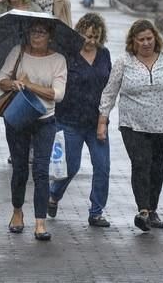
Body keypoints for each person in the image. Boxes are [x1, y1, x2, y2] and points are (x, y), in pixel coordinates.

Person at [98, 19, 163, 231]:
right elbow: (110, 91)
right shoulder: (124, 62)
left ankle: (153, 210)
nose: (145, 43)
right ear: (133, 41)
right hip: (133, 124)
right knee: (141, 163)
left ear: (156, 38)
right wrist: (103, 119)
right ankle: (142, 210)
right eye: (141, 39)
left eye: (149, 38)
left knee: (156, 167)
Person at [0, 20, 67, 241]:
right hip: (18, 118)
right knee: (19, 168)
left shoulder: (58, 60)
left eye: (42, 32)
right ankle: (17, 212)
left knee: (41, 171)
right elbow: (1, 80)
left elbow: (58, 94)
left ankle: (40, 222)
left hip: (46, 120)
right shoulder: (18, 52)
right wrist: (14, 84)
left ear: (50, 36)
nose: (37, 35)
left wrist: (29, 85)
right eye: (33, 31)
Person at [48, 13, 112, 227]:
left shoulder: (104, 55)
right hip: (69, 120)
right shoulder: (68, 55)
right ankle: (54, 195)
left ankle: (96, 211)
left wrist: (104, 118)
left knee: (102, 167)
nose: (91, 41)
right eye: (87, 36)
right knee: (71, 166)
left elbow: (109, 88)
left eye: (95, 36)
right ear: (79, 33)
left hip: (97, 122)